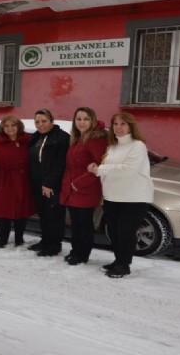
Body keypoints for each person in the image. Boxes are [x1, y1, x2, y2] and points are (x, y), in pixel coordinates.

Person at [88, 112, 153, 278]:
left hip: (133, 198)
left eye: (123, 124)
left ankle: (124, 265)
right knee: (115, 232)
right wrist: (98, 168)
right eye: (116, 124)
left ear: (131, 126)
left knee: (126, 233)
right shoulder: (112, 146)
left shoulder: (137, 145)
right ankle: (118, 260)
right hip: (112, 197)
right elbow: (109, 169)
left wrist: (100, 170)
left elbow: (129, 169)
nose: (119, 128)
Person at [59, 107, 108, 265]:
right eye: (79, 119)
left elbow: (99, 167)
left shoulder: (96, 139)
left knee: (84, 224)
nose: (82, 122)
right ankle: (75, 251)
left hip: (86, 189)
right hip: (73, 189)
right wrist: (69, 185)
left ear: (92, 120)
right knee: (75, 224)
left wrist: (76, 184)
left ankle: (82, 255)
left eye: (86, 119)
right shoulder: (77, 138)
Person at [0, 116, 36, 248]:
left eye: (13, 125)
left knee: (21, 210)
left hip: (23, 179)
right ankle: (3, 238)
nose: (10, 128)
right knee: (4, 210)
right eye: (7, 126)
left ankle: (19, 238)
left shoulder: (28, 140)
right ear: (2, 128)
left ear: (19, 126)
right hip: (4, 180)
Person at [28, 109, 70, 257]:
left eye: (44, 121)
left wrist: (49, 183)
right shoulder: (36, 137)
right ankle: (45, 240)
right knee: (43, 214)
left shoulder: (61, 138)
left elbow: (60, 163)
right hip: (38, 182)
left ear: (52, 121)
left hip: (52, 184)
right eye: (37, 122)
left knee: (54, 215)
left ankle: (54, 245)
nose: (41, 125)